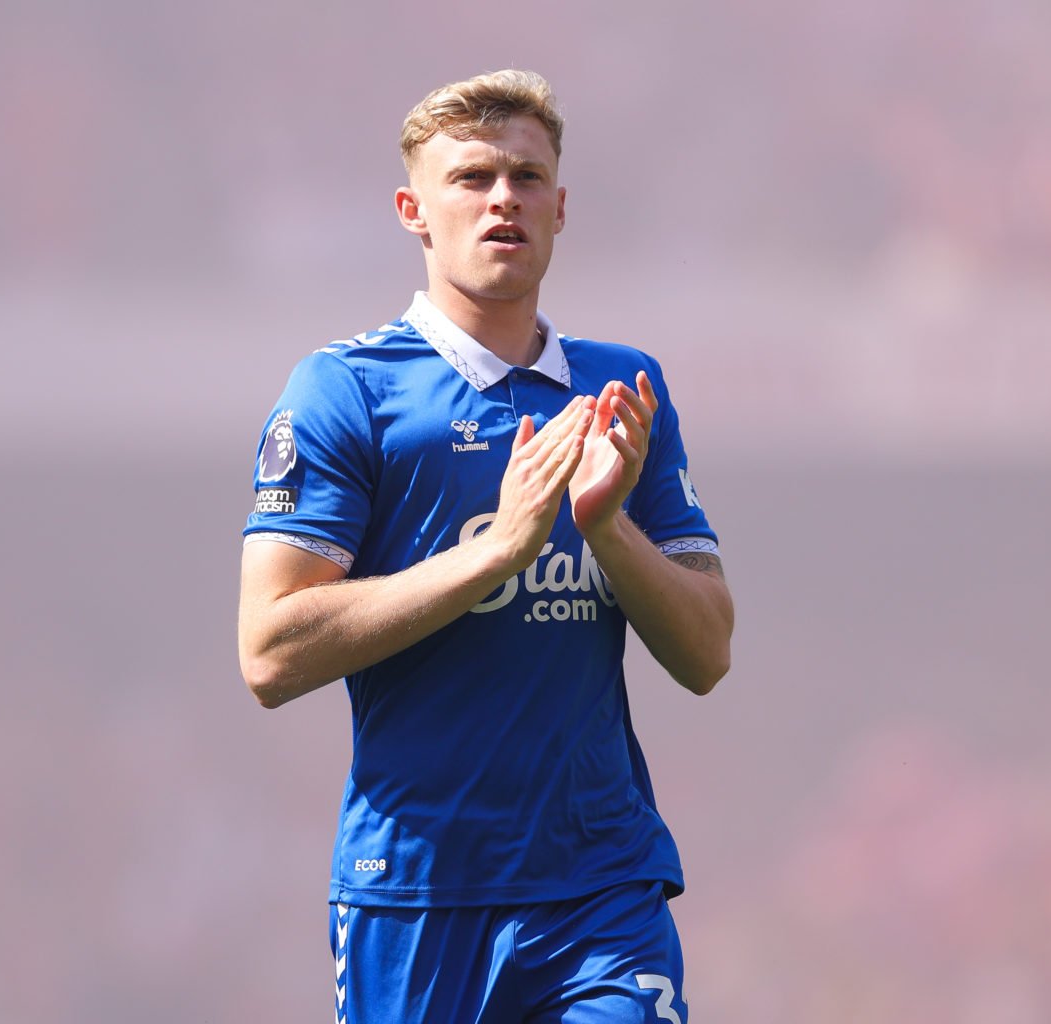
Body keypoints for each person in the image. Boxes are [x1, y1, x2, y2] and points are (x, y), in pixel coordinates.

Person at [238, 69, 733, 1024]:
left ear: (560, 206)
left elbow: (709, 652)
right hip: (414, 898)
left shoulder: (623, 390)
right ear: (412, 211)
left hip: (600, 892)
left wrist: (605, 529)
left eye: (525, 176)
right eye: (470, 178)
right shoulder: (345, 392)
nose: (502, 197)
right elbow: (270, 650)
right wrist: (496, 551)